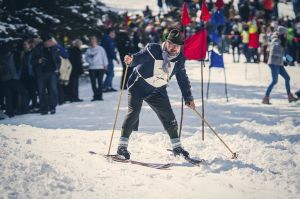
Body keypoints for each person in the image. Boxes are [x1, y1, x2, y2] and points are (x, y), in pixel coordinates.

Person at [116, 29, 196, 160]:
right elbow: (139, 57)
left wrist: (188, 97)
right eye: (170, 44)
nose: (173, 48)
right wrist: (131, 59)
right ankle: (122, 146)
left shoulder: (180, 59)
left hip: (158, 90)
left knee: (169, 116)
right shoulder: (153, 49)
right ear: (166, 42)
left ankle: (177, 147)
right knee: (134, 112)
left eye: (176, 46)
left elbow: (182, 78)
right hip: (139, 86)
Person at [262, 26, 299, 104]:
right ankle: (265, 98)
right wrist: (284, 57)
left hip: (279, 63)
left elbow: (281, 53)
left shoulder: (281, 41)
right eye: (285, 34)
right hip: (273, 63)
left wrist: (285, 60)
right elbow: (274, 52)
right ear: (282, 34)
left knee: (287, 78)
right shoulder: (276, 40)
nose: (286, 35)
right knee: (274, 81)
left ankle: (290, 96)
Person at [31, 33, 61, 115]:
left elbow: (58, 60)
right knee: (41, 91)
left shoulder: (54, 48)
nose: (50, 43)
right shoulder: (37, 49)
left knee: (53, 90)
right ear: (45, 42)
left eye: (51, 41)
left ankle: (52, 107)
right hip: (41, 73)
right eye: (49, 41)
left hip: (52, 72)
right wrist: (38, 61)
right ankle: (44, 109)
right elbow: (32, 62)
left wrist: (57, 68)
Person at [85, 36, 108, 101]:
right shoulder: (88, 50)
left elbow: (104, 57)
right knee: (93, 83)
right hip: (92, 68)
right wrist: (91, 62)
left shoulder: (101, 49)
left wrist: (105, 65)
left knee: (100, 82)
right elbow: (86, 58)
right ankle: (95, 96)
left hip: (100, 68)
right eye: (91, 40)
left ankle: (100, 96)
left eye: (94, 40)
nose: (93, 41)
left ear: (96, 41)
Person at [101, 28, 119, 92]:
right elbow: (110, 50)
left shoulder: (106, 38)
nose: (114, 34)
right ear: (110, 32)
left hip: (106, 58)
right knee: (110, 73)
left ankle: (109, 86)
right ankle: (104, 87)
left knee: (110, 73)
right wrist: (115, 58)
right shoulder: (108, 40)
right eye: (114, 33)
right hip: (108, 58)